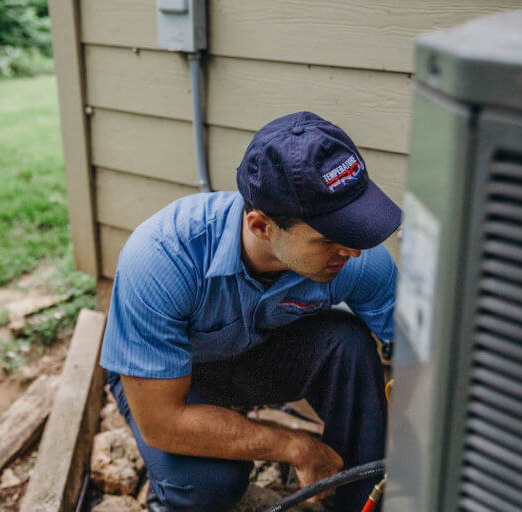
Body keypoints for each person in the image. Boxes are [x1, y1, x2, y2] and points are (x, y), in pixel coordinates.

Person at [100, 111, 401, 511]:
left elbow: (424, 354)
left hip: (253, 355)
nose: (353, 250)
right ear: (260, 226)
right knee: (209, 484)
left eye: (355, 228)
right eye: (330, 238)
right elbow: (162, 422)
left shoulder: (351, 260)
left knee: (345, 344)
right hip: (173, 379)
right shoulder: (162, 258)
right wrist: (295, 446)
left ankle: (359, 500)